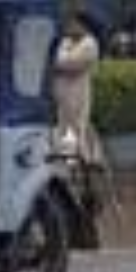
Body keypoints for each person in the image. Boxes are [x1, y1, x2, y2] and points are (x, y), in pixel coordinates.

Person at [54, 12, 103, 164]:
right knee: (64, 125)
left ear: (83, 26)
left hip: (78, 90)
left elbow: (68, 63)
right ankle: (70, 160)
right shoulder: (66, 42)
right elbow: (57, 59)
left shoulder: (90, 44)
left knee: (77, 125)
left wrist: (57, 61)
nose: (70, 27)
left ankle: (83, 161)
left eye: (74, 24)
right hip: (62, 91)